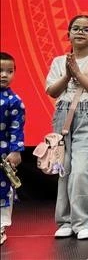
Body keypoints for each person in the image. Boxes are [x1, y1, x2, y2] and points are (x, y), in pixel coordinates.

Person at [45, 15, 88, 240]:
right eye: (75, 28)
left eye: (86, 29)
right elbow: (53, 91)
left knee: (82, 169)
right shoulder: (58, 61)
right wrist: (67, 73)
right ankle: (65, 220)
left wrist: (78, 73)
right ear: (69, 33)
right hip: (62, 115)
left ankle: (84, 221)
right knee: (64, 170)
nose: (80, 32)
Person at [0, 52, 25, 246]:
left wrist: (16, 151)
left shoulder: (14, 100)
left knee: (3, 189)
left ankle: (0, 227)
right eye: (0, 70)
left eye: (9, 71)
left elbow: (17, 128)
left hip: (3, 153)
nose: (4, 75)